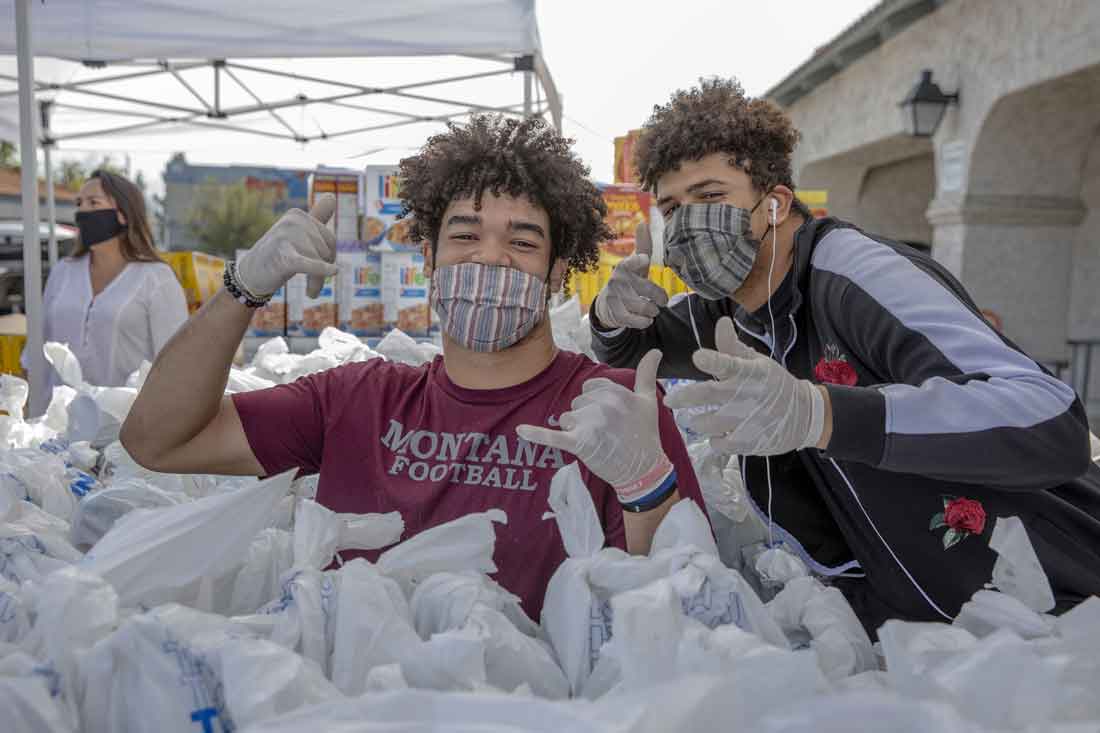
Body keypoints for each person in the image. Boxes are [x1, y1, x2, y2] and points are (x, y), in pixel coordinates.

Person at [120, 115, 705, 619]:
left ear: (557, 273)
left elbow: (684, 604)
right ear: (428, 258)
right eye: (465, 234)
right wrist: (241, 287)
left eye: (523, 242)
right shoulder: (356, 400)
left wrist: (646, 485)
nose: (490, 256)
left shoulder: (618, 408)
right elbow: (158, 441)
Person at [589, 77, 1100, 633]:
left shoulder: (852, 273)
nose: (688, 221)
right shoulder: (730, 308)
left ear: (776, 204)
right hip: (943, 640)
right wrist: (610, 315)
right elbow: (641, 349)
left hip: (1065, 613)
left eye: (710, 197)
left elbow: (1051, 420)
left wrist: (823, 414)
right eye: (671, 206)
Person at [29, 169, 188, 410]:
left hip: (123, 427)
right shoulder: (63, 272)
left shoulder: (156, 279)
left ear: (123, 214)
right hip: (56, 428)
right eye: (79, 203)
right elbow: (37, 351)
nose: (83, 211)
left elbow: (175, 365)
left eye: (94, 203)